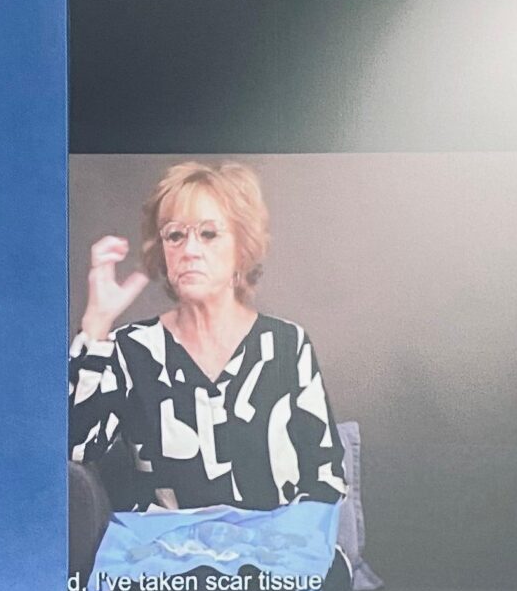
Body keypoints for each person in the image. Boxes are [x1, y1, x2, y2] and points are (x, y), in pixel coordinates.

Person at [69, 158, 347, 520]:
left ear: (242, 249)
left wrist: (285, 543)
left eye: (209, 234)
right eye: (175, 235)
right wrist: (96, 322)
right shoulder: (131, 348)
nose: (189, 250)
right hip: (169, 549)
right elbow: (75, 450)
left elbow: (326, 478)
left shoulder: (286, 345)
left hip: (274, 548)